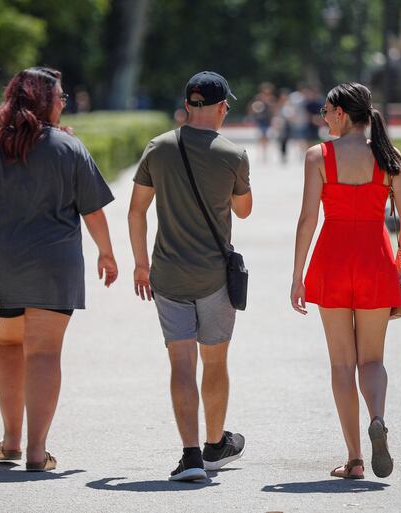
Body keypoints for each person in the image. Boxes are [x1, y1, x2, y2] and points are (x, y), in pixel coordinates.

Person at [0, 67, 118, 472]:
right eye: (61, 96)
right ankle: (37, 450)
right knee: (45, 352)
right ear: (44, 100)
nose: (64, 102)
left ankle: (10, 440)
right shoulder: (69, 147)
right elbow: (93, 211)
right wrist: (107, 252)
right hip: (55, 265)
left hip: (1, 267)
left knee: (9, 346)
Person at [128, 71, 253, 482]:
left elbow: (137, 211)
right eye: (227, 106)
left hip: (167, 275)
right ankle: (216, 445)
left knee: (181, 364)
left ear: (187, 105)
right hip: (215, 277)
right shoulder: (233, 154)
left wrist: (141, 264)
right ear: (219, 108)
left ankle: (191, 456)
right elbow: (243, 210)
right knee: (214, 361)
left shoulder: (158, 148)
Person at [291, 82, 401, 480]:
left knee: (342, 364)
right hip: (376, 260)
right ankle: (377, 417)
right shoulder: (388, 156)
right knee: (373, 359)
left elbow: (308, 219)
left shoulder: (319, 157)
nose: (323, 117)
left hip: (331, 259)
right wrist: (397, 267)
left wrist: (298, 275)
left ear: (342, 113)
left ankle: (355, 459)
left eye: (327, 111)